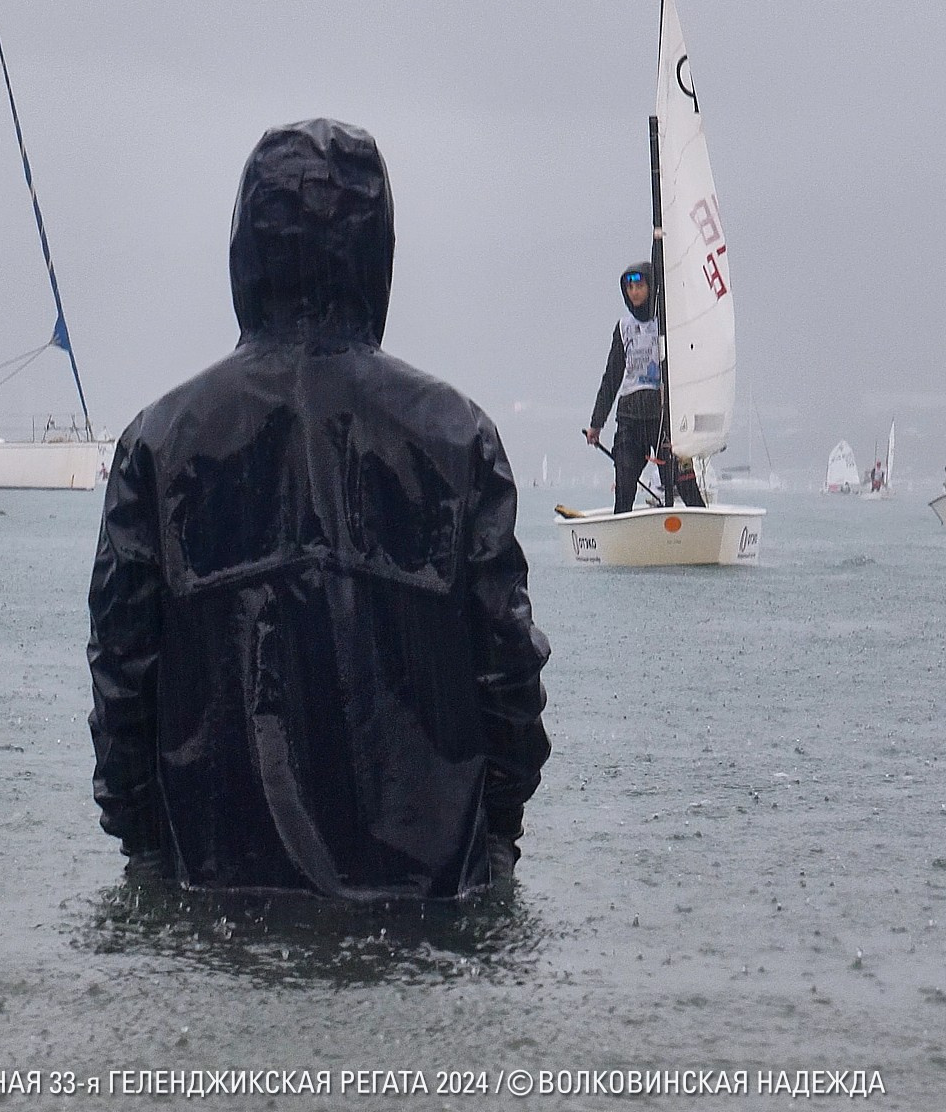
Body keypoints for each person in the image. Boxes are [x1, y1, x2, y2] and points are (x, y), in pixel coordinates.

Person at [86, 118, 551, 900]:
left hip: (214, 880)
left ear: (245, 249)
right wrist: (494, 837)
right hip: (427, 889)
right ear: (378, 254)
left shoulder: (160, 443)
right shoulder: (456, 436)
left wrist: (148, 846)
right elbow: (505, 670)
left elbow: (123, 674)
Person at [583, 264, 673, 513]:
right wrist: (596, 424)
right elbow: (611, 377)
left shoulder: (667, 323)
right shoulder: (624, 327)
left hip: (662, 418)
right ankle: (621, 526)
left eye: (640, 286)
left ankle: (697, 520)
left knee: (679, 481)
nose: (634, 292)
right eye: (630, 287)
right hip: (630, 418)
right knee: (624, 485)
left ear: (652, 287)